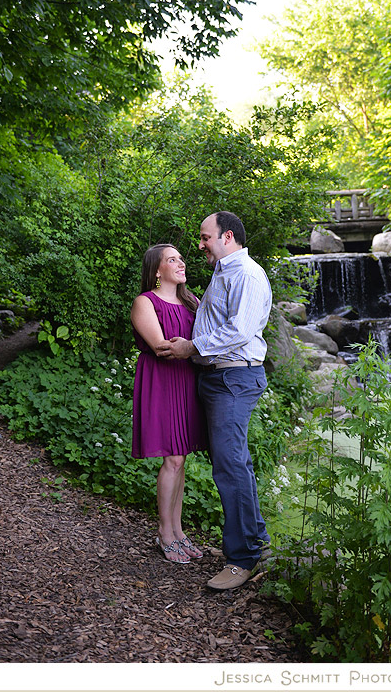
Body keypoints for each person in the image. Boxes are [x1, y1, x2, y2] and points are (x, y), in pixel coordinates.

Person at [156, 212, 272, 590]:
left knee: (229, 467)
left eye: (206, 237)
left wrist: (191, 347)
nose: (200, 244)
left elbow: (239, 332)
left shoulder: (247, 275)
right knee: (235, 463)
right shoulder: (223, 273)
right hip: (217, 377)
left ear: (228, 236)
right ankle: (257, 542)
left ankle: (242, 559)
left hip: (234, 378)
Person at [131, 243, 207, 565]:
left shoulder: (191, 302)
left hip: (187, 382)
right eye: (171, 259)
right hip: (161, 381)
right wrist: (195, 347)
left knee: (182, 458)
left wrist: (195, 347)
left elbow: (206, 338)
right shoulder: (144, 302)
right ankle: (164, 533)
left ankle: (178, 530)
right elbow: (162, 347)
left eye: (181, 258)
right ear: (157, 269)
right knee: (173, 459)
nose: (181, 263)